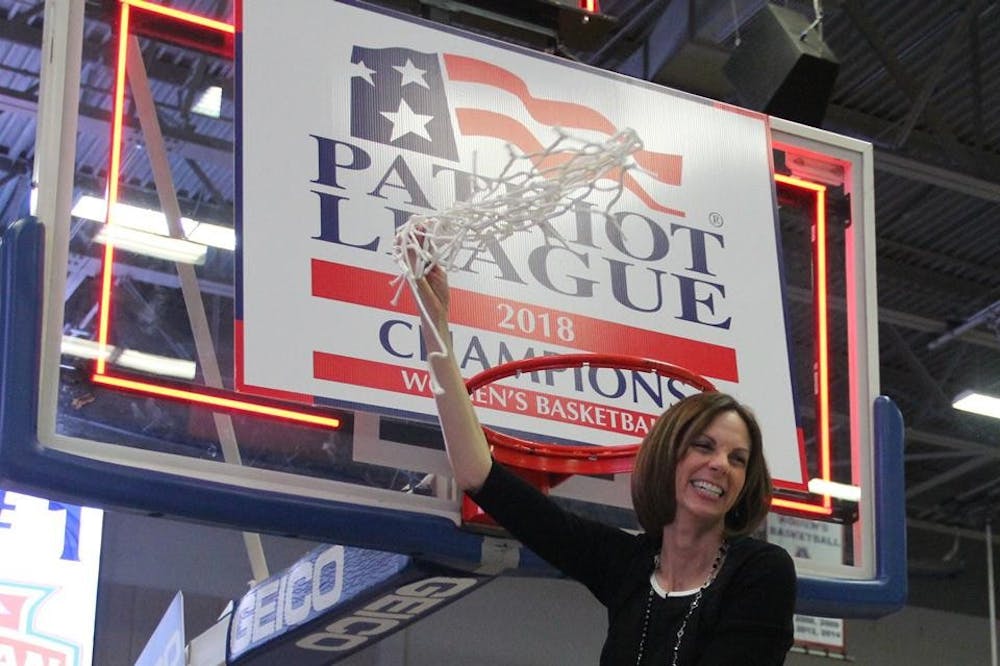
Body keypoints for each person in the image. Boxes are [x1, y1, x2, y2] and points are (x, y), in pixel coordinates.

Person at [409, 261, 796, 665]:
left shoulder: (761, 571)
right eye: (703, 446)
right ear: (668, 458)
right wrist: (435, 327)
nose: (721, 465)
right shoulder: (628, 565)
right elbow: (478, 474)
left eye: (738, 459)